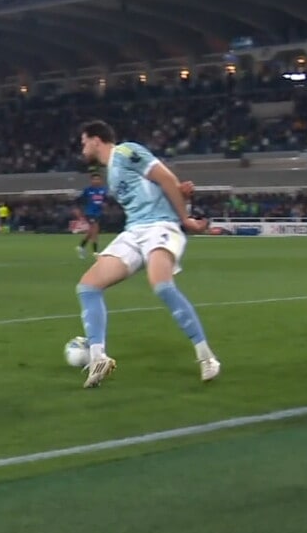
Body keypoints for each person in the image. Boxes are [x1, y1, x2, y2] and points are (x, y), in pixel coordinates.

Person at [73, 121, 219, 388]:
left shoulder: (126, 151)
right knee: (88, 286)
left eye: (84, 143)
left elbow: (165, 178)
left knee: (161, 285)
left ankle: (206, 357)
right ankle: (98, 358)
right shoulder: (111, 173)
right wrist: (180, 194)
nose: (82, 149)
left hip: (160, 227)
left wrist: (185, 218)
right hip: (134, 232)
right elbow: (157, 190)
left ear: (96, 140)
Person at [75, 172, 107, 259]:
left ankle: (81, 246)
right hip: (90, 213)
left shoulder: (103, 190)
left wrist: (104, 205)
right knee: (95, 229)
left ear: (101, 180)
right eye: (94, 179)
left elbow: (105, 200)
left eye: (98, 179)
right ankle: (95, 252)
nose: (96, 181)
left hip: (98, 213)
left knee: (91, 231)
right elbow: (79, 200)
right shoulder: (88, 190)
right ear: (91, 180)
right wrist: (77, 209)